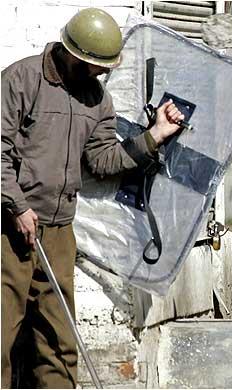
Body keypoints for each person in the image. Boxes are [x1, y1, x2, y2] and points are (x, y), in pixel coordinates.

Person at [1, 8, 185, 388]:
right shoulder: (22, 79)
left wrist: (154, 136)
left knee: (59, 341)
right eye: (95, 66)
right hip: (9, 228)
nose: (101, 73)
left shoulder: (96, 98)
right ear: (74, 54)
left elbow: (103, 160)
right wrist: (17, 206)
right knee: (2, 334)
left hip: (57, 231)